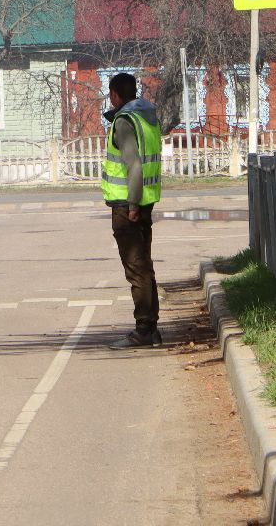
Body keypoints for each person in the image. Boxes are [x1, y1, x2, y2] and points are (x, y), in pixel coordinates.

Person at [103, 72, 163, 348]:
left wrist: (133, 206)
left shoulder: (125, 122)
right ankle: (151, 327)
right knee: (145, 267)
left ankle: (143, 329)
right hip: (145, 200)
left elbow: (134, 165)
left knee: (136, 269)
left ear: (116, 95)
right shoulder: (146, 117)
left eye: (110, 94)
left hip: (129, 205)